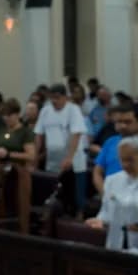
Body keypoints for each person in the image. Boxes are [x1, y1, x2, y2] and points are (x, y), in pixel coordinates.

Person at [36, 83, 88, 215]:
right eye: (51, 98)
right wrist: (36, 156)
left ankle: (78, 219)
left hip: (73, 160)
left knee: (76, 197)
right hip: (53, 160)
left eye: (57, 98)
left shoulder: (73, 110)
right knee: (56, 195)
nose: (54, 101)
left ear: (65, 97)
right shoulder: (45, 111)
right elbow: (39, 134)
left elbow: (76, 134)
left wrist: (69, 157)